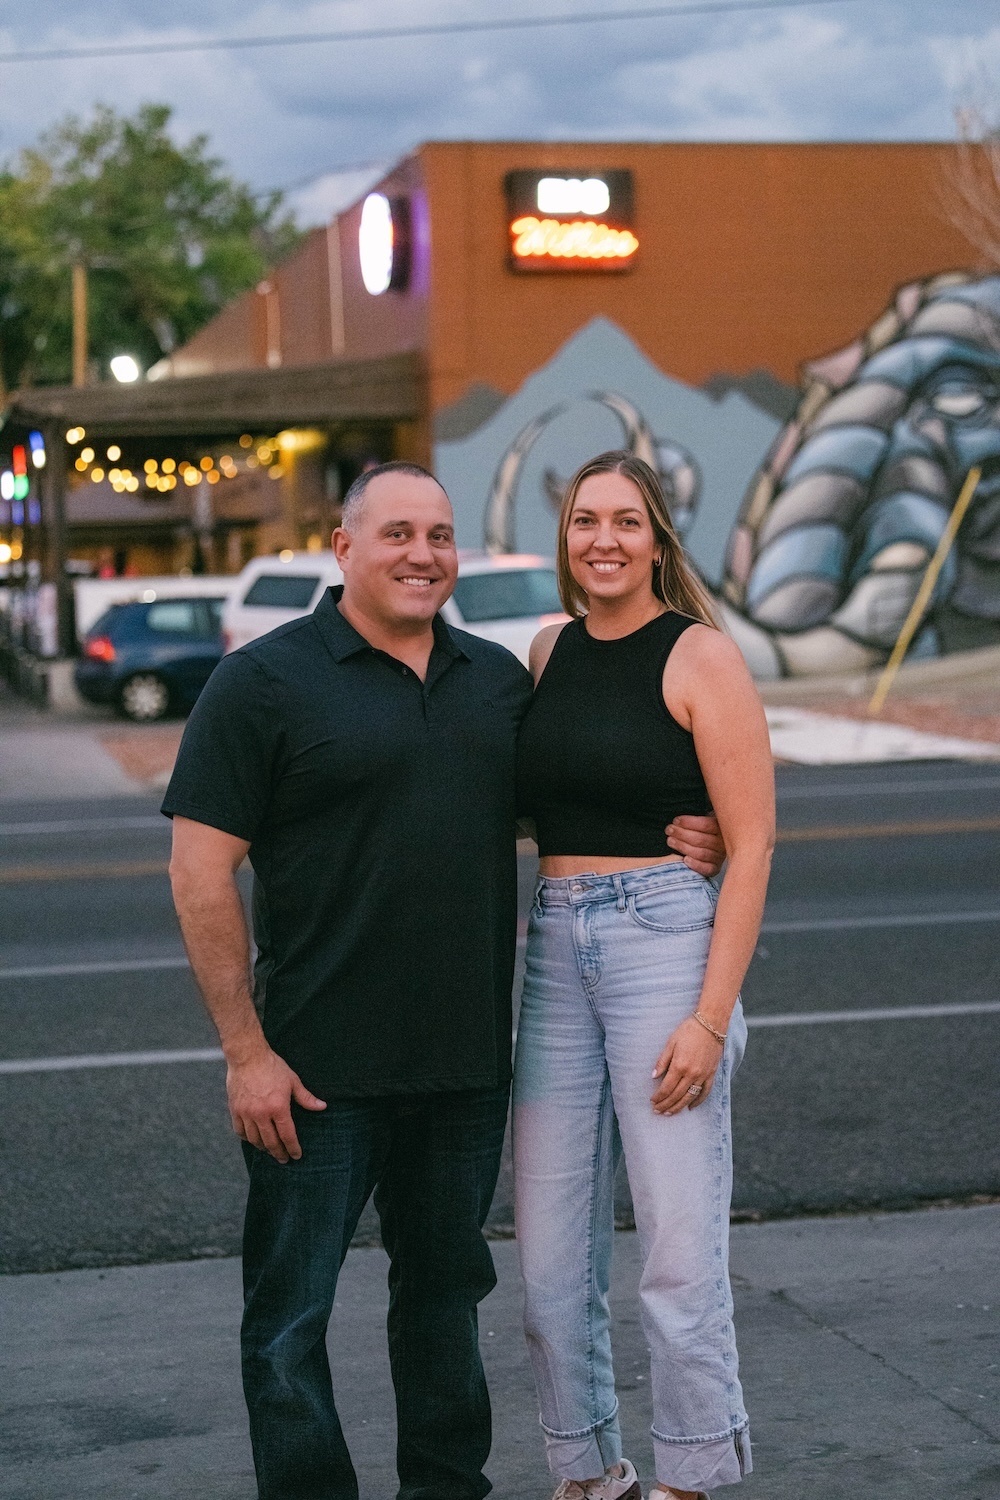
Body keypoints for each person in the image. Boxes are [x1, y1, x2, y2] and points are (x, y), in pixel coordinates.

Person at [164, 460, 725, 1500]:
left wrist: (689, 833)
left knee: (442, 1306)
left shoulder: (495, 683)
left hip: (462, 1069)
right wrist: (246, 1053)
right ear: (344, 548)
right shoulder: (262, 682)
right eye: (397, 534)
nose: (422, 555)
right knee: (288, 1322)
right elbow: (198, 874)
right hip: (311, 1072)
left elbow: (572, 796)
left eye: (438, 535)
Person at [514, 451, 775, 1500]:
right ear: (566, 536)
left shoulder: (700, 656)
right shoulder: (546, 651)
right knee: (546, 1260)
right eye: (586, 520)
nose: (604, 539)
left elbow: (752, 846)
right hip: (552, 947)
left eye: (626, 520)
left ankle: (691, 1473)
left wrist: (709, 1020)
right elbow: (542, 799)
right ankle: (587, 1472)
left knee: (675, 1245)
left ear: (658, 539)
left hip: (661, 944)